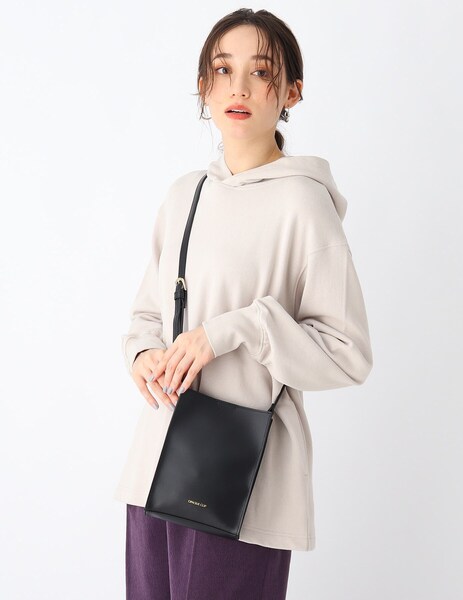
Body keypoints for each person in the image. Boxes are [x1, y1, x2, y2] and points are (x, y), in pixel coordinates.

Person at [113, 8, 373, 600]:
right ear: (204, 87)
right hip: (155, 463)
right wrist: (143, 356)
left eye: (260, 72)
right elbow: (146, 315)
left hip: (243, 481)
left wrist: (238, 329)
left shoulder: (305, 205)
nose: (239, 87)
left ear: (291, 92)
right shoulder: (185, 195)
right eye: (222, 70)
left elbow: (349, 352)